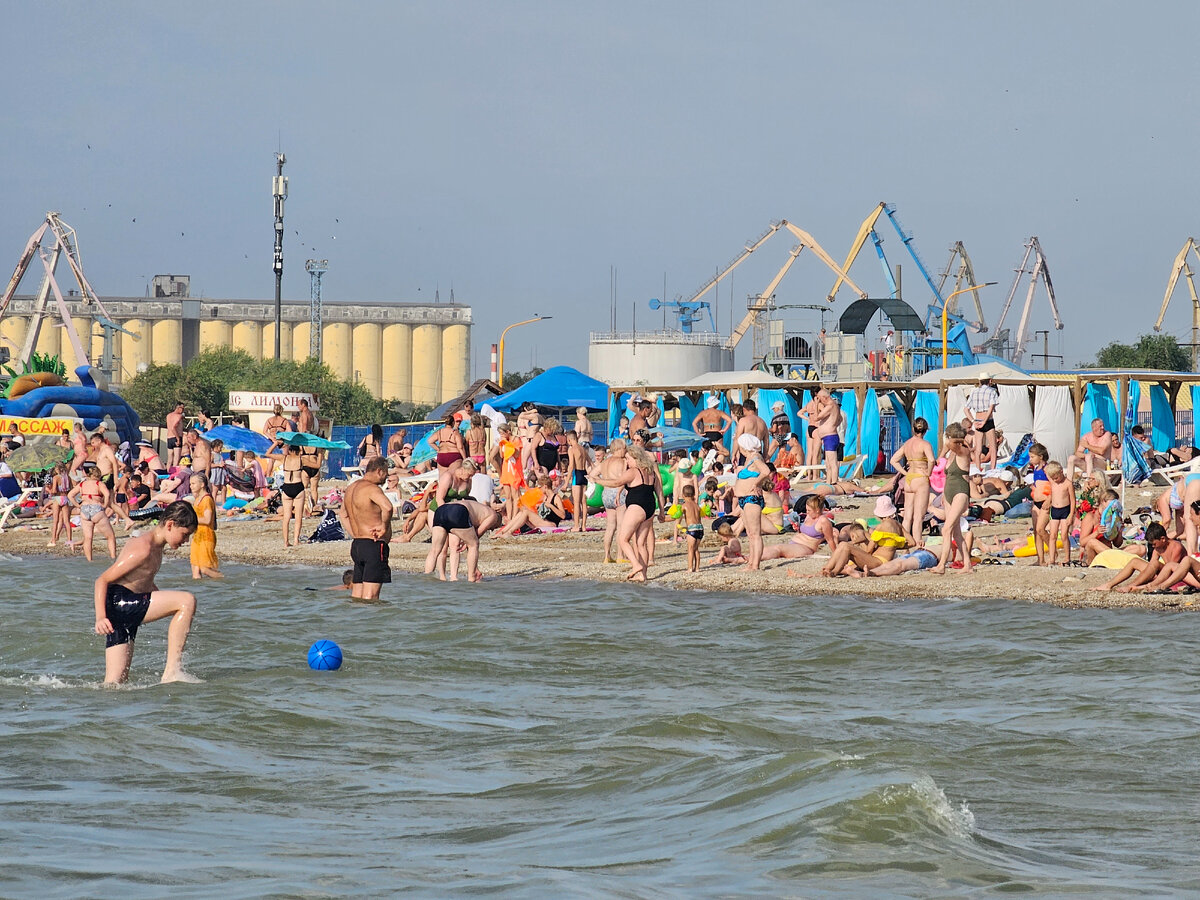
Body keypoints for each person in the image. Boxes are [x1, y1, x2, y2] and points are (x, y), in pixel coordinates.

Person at [92, 500, 200, 685]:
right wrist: (101, 617)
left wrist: (165, 605)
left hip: (121, 609)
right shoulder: (143, 548)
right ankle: (172, 671)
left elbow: (143, 581)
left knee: (115, 684)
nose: (186, 541)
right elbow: (102, 580)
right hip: (120, 604)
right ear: (170, 524)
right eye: (185, 534)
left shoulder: (156, 547)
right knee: (187, 601)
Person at [343, 456, 393, 600]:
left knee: (357, 596)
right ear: (379, 471)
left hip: (357, 545)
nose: (387, 477)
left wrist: (354, 532)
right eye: (386, 473)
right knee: (371, 598)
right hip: (373, 545)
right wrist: (383, 527)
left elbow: (343, 514)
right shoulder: (372, 489)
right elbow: (388, 507)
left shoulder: (351, 488)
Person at [424, 498, 502, 582]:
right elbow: (477, 535)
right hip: (458, 511)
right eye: (494, 527)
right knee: (474, 545)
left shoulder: (480, 508)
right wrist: (466, 544)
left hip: (441, 510)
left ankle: (426, 580)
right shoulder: (493, 516)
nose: (492, 529)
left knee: (434, 551)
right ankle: (472, 578)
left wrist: (466, 543)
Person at [932, 423, 973, 574]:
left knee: (946, 529)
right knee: (955, 532)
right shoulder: (952, 453)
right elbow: (943, 459)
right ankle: (967, 565)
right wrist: (943, 494)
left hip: (960, 491)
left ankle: (941, 565)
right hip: (948, 491)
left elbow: (950, 444)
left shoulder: (963, 450)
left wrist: (951, 438)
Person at [890, 416, 936, 547]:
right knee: (918, 516)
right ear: (926, 430)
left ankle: (904, 540)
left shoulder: (907, 444)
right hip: (920, 477)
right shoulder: (925, 444)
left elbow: (893, 460)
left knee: (908, 515)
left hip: (909, 478)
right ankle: (917, 541)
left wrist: (904, 473)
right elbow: (932, 460)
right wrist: (928, 472)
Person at [69, 463, 117, 563]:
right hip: (96, 508)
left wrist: (77, 505)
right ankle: (113, 558)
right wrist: (105, 505)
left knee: (88, 538)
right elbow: (107, 494)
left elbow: (70, 495)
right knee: (110, 536)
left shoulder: (82, 484)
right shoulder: (99, 484)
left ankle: (89, 560)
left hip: (84, 509)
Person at [187, 473, 222, 579]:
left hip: (207, 536)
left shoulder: (207, 499)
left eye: (193, 483)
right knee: (195, 570)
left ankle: (222, 579)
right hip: (197, 535)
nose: (191, 486)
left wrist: (190, 519)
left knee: (205, 569)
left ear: (202, 484)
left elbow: (207, 520)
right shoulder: (197, 499)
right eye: (190, 484)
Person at [964, 372, 1000, 468]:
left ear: (980, 381)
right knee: (993, 447)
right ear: (990, 381)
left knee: (978, 447)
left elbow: (966, 409)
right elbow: (991, 407)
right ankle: (993, 468)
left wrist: (973, 421)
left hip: (977, 419)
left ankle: (977, 467)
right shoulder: (992, 391)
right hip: (987, 420)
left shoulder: (974, 391)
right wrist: (985, 421)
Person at [1044, 461, 1076, 566]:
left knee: (1063, 535)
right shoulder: (1053, 482)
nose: (1055, 480)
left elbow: (1073, 500)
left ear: (1061, 472)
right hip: (1055, 510)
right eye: (1053, 478)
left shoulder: (1068, 483)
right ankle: (1052, 558)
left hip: (1065, 510)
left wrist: (1071, 515)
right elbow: (1045, 469)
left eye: (1056, 477)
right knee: (1052, 535)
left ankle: (1067, 557)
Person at [565, 429, 590, 533]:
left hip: (577, 473)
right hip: (584, 473)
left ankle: (576, 526)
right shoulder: (582, 448)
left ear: (570, 439)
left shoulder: (572, 449)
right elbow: (590, 462)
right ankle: (583, 526)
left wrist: (566, 482)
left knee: (576, 502)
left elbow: (571, 466)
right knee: (584, 502)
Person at [680, 484, 703, 572]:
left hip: (692, 528)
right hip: (700, 528)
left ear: (683, 495)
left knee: (690, 549)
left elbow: (677, 516)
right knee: (696, 549)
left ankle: (690, 568)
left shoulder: (684, 506)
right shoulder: (697, 506)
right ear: (694, 495)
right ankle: (697, 568)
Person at [165, 401, 186, 467]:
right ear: (178, 408)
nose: (183, 410)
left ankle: (168, 471)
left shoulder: (168, 415)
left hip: (169, 437)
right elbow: (173, 427)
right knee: (176, 459)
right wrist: (178, 439)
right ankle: (174, 474)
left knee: (169, 459)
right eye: (182, 408)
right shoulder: (178, 416)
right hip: (176, 437)